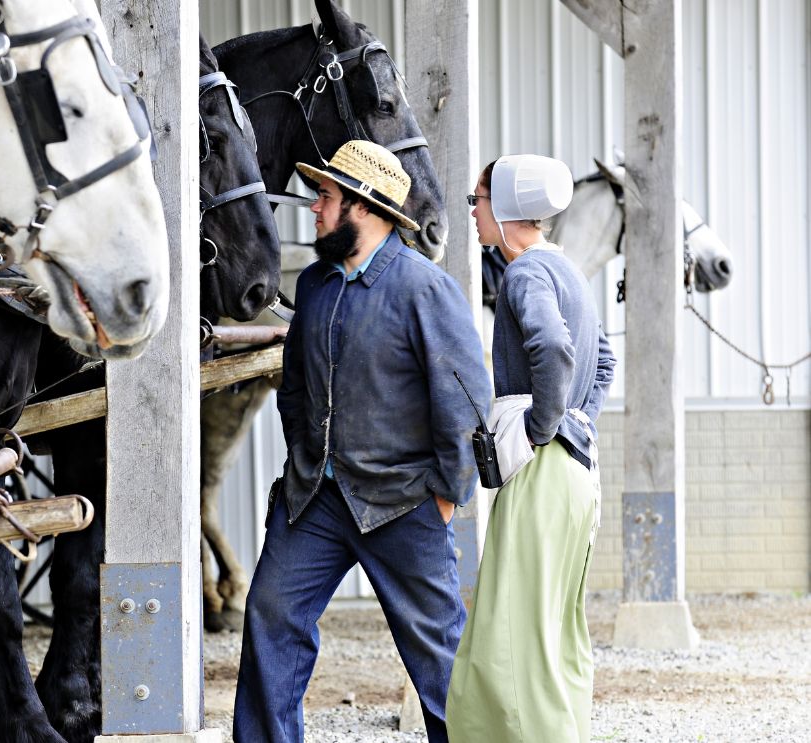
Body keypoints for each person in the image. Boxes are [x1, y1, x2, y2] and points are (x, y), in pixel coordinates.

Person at [232, 140, 491, 743]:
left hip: (404, 502)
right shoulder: (318, 284)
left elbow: (465, 404)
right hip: (315, 500)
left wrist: (448, 496)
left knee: (437, 655)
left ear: (365, 207)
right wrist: (304, 454)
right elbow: (294, 384)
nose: (315, 210)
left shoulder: (425, 289)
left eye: (326, 198)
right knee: (270, 613)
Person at [445, 155, 616, 743]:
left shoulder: (522, 275)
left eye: (478, 200)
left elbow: (552, 349)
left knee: (512, 639)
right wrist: (576, 423)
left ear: (508, 204)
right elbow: (604, 361)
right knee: (557, 634)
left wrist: (543, 427)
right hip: (577, 474)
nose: (472, 212)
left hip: (543, 472)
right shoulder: (571, 273)